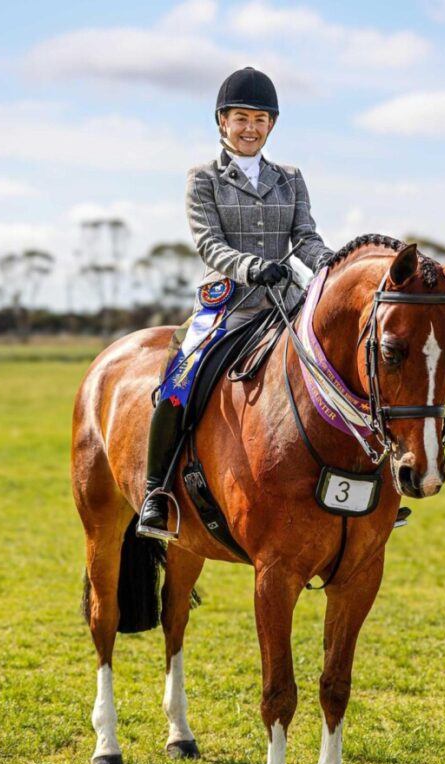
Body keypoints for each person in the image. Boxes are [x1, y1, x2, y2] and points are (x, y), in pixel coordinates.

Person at [138, 67, 333, 535]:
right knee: (180, 379)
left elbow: (305, 237)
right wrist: (250, 267)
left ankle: (365, 484)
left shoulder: (290, 178)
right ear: (222, 122)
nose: (250, 128)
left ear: (272, 125)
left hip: (286, 301)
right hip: (228, 304)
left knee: (346, 369)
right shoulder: (203, 177)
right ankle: (156, 491)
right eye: (241, 118)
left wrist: (334, 266)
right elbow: (209, 244)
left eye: (260, 119)